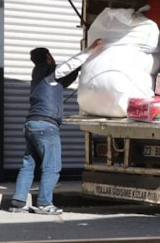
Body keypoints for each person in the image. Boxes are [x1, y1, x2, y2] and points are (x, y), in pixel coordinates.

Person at [10, 38, 104, 215]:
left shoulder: (38, 76)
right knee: (52, 166)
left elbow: (66, 76)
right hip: (46, 126)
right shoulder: (49, 72)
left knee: (28, 165)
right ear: (48, 57)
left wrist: (81, 67)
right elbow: (68, 66)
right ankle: (44, 203)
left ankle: (18, 202)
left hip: (31, 124)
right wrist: (89, 50)